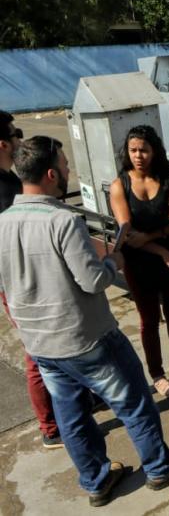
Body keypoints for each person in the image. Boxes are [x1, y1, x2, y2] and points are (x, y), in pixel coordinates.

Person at [0, 136, 169, 507]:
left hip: (40, 344)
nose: (68, 170)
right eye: (64, 163)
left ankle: (96, 480)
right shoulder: (63, 221)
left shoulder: (2, 223)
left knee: (71, 415)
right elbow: (93, 281)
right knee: (134, 402)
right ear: (49, 173)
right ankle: (159, 466)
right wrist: (114, 263)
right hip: (85, 339)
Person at [109, 126, 169, 398]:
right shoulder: (120, 185)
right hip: (142, 262)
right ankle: (157, 375)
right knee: (149, 319)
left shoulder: (168, 180)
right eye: (133, 150)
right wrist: (160, 251)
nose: (138, 155)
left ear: (154, 151)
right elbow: (127, 233)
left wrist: (155, 241)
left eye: (143, 149)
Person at [0, 111, 62, 449]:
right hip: (16, 284)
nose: (19, 141)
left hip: (28, 278)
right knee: (37, 354)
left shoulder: (9, 180)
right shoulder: (5, 189)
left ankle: (73, 401)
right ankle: (50, 427)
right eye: (14, 135)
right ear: (2, 143)